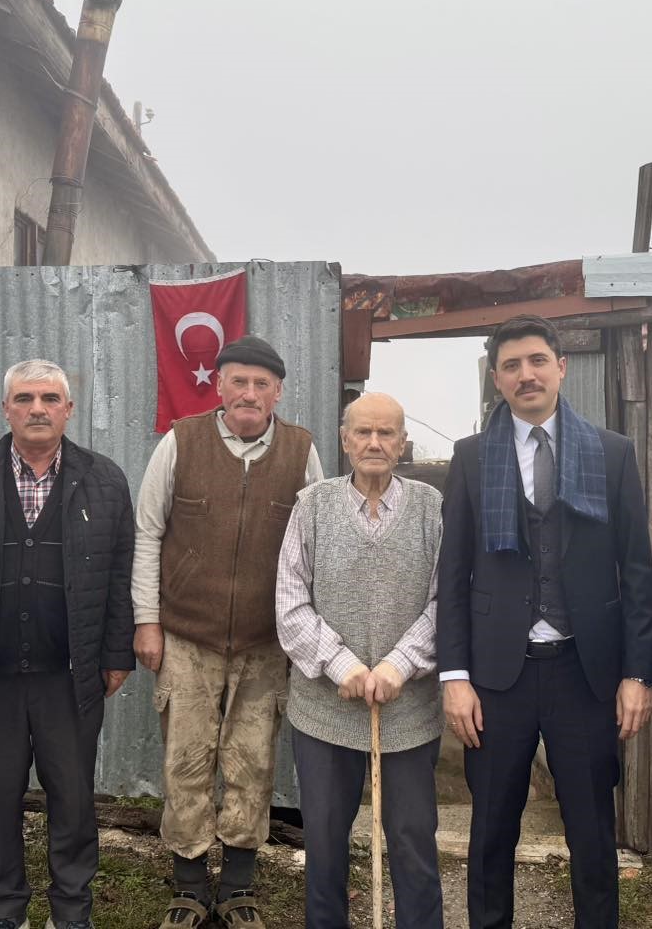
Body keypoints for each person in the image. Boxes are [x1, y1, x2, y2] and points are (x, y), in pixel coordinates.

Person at [438, 314, 652, 929]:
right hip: (495, 679)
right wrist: (454, 675)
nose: (525, 374)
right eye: (511, 365)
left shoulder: (611, 454)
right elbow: (453, 576)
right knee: (489, 834)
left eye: (537, 360)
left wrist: (638, 674)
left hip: (584, 675)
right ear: (496, 379)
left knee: (591, 836)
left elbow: (637, 572)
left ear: (561, 367)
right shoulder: (472, 457)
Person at [0, 359, 135, 929]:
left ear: (68, 410)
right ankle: (5, 912)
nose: (37, 409)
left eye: (50, 398)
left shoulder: (104, 479)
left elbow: (121, 570)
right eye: (24, 398)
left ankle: (71, 913)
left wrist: (117, 652)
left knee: (72, 803)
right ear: (6, 409)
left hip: (68, 675)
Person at [133, 334, 323, 929]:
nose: (249, 393)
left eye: (261, 384)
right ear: (218, 385)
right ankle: (189, 888)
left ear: (277, 393)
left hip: (268, 645)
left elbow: (316, 547)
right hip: (186, 639)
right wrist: (147, 622)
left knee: (251, 763)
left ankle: (239, 887)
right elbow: (147, 535)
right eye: (238, 381)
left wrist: (306, 634)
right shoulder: (179, 442)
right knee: (187, 764)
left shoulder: (301, 452)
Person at [276, 392, 445, 929]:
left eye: (387, 433)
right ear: (345, 440)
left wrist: (400, 663)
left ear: (403, 442)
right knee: (325, 840)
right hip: (324, 712)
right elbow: (289, 602)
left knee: (413, 838)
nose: (375, 443)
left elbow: (450, 600)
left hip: (409, 712)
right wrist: (340, 663)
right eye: (363, 433)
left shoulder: (430, 508)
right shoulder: (313, 506)